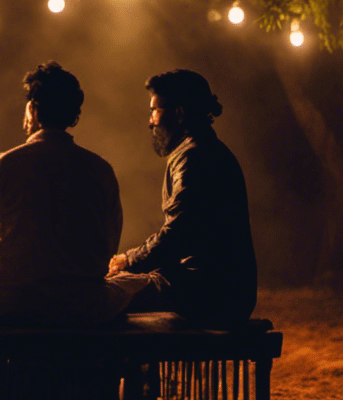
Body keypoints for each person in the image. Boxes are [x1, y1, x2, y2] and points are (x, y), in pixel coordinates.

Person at [0, 62, 146, 400]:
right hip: (84, 305)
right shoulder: (100, 169)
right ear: (74, 114)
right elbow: (107, 246)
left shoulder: (6, 164)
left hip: (17, 303)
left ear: (33, 110)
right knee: (131, 287)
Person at [108, 70, 257, 328]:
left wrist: (127, 261)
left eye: (155, 110)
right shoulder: (202, 150)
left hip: (210, 294)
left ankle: (132, 367)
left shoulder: (194, 157)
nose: (150, 121)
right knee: (117, 288)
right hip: (220, 290)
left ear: (178, 112)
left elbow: (179, 235)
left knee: (102, 298)